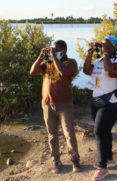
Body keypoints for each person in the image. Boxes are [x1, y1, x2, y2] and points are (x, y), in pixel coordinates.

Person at [30, 40, 80, 174]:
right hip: (47, 103)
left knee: (69, 133)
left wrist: (54, 58)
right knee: (52, 134)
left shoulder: (70, 63)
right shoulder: (47, 62)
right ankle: (56, 160)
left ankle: (75, 159)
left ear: (63, 51)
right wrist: (41, 56)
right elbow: (33, 72)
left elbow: (63, 73)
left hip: (64, 104)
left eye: (55, 50)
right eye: (51, 49)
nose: (52, 51)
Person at [83, 36, 117, 181]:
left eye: (106, 44)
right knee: (104, 131)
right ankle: (109, 159)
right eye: (102, 44)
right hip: (97, 100)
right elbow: (86, 70)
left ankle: (103, 167)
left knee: (99, 131)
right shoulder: (100, 61)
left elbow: (111, 73)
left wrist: (106, 53)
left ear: (113, 46)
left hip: (112, 101)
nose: (103, 46)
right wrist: (90, 53)